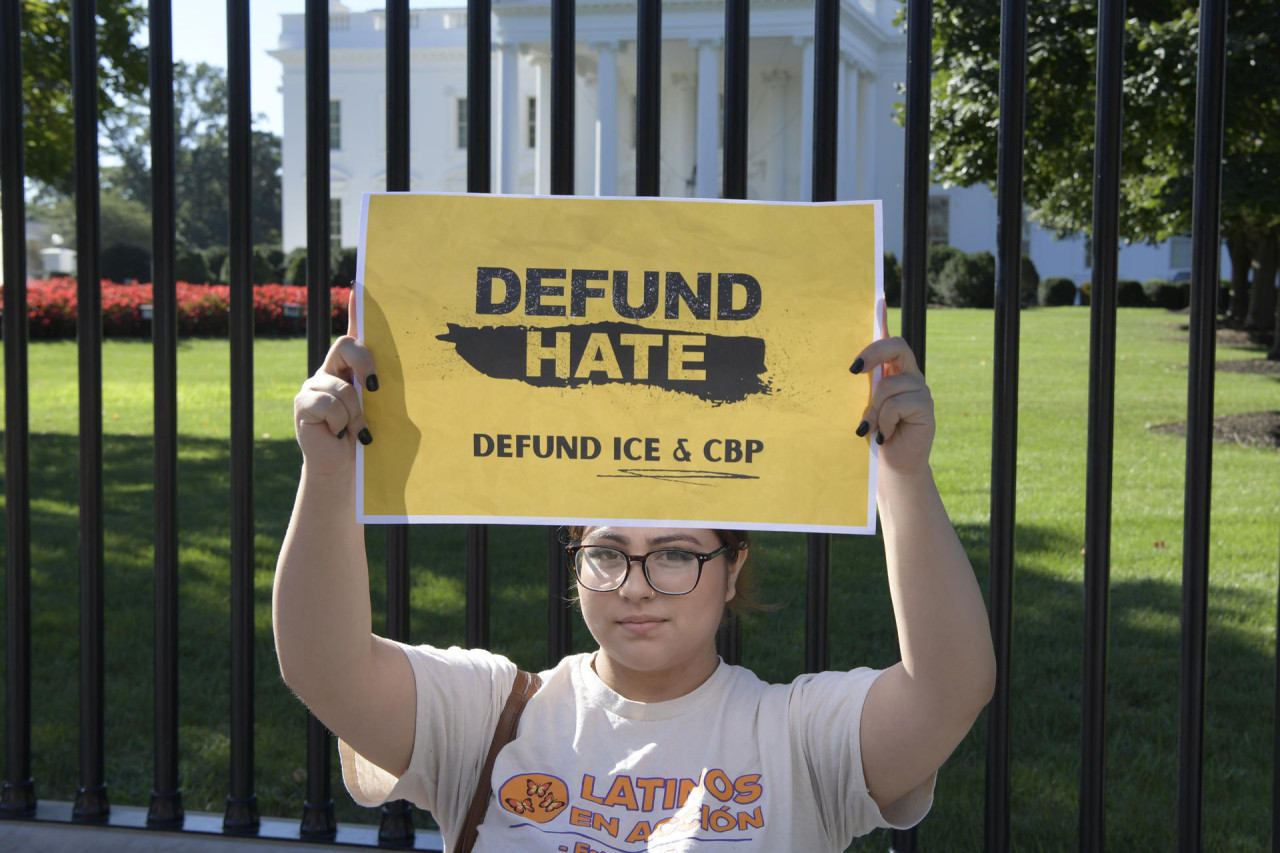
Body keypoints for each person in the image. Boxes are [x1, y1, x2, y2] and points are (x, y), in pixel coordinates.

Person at [274, 297, 996, 851]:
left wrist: (903, 477)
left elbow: (949, 688)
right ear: (575, 554)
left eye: (678, 553)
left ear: (732, 563)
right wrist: (329, 474)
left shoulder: (797, 736)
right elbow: (323, 665)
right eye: (609, 553)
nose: (637, 584)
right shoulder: (491, 715)